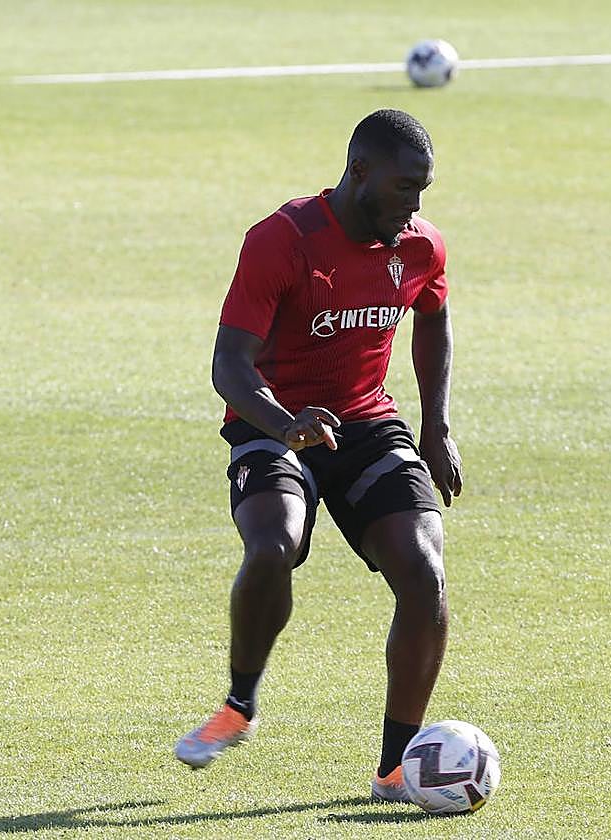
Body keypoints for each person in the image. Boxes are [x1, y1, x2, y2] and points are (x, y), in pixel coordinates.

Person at [174, 109, 462, 803]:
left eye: (423, 191)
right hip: (272, 418)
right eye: (403, 189)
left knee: (425, 576)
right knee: (272, 546)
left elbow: (434, 318)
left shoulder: (420, 247)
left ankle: (396, 770)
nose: (415, 207)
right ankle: (239, 706)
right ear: (359, 172)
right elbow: (229, 366)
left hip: (365, 421)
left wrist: (436, 425)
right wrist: (284, 422)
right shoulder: (283, 241)